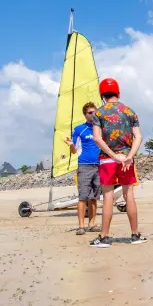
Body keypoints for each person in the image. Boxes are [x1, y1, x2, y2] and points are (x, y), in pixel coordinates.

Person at [90, 78, 146, 248]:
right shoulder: (129, 111)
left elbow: (97, 138)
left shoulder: (98, 113)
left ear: (102, 94)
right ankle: (135, 234)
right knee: (129, 195)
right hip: (126, 160)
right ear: (118, 92)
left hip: (107, 159)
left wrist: (113, 156)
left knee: (108, 196)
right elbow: (138, 137)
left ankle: (104, 237)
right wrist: (129, 156)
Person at [64, 101, 101, 235]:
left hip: (99, 166)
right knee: (83, 197)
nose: (93, 114)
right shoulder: (79, 129)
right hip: (84, 165)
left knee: (94, 197)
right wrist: (70, 144)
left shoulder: (100, 128)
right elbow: (74, 151)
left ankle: (92, 224)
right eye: (90, 113)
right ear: (85, 114)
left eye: (95, 112)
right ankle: (81, 226)